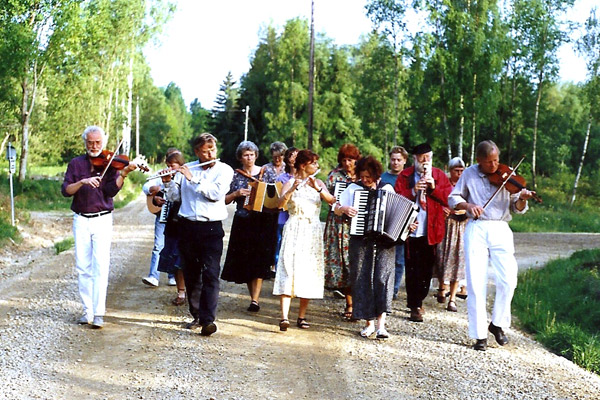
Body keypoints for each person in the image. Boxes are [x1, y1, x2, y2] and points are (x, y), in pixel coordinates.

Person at [448, 140, 535, 351]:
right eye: (489, 162)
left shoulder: (506, 175)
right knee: (476, 283)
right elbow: (453, 197)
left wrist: (522, 198)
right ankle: (479, 336)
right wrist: (468, 205)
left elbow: (517, 207)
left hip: (501, 227)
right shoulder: (469, 173)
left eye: (496, 160)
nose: (494, 166)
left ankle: (497, 323)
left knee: (508, 280)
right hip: (477, 227)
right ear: (479, 161)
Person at [61, 125, 139, 329]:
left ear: (103, 143)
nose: (94, 146)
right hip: (81, 219)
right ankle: (87, 311)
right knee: (82, 267)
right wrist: (83, 182)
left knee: (101, 265)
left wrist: (124, 173)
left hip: (102, 219)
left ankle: (99, 313)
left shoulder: (111, 164)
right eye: (90, 143)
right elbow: (66, 191)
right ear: (85, 143)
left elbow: (112, 191)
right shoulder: (76, 164)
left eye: (97, 143)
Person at [162, 133, 234, 336]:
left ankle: (209, 320)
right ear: (196, 152)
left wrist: (192, 180)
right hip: (187, 226)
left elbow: (215, 195)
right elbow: (175, 198)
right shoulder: (188, 169)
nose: (210, 153)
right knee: (191, 274)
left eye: (212, 149)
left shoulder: (224, 170)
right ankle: (197, 315)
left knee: (211, 273)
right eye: (205, 151)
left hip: (211, 228)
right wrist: (169, 182)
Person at [335, 156, 415, 339]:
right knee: (362, 277)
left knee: (383, 277)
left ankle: (381, 325)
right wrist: (345, 209)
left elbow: (398, 216)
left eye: (368, 177)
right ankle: (368, 323)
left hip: (384, 241)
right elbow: (336, 207)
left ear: (376, 175)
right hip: (360, 240)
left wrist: (407, 226)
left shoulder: (386, 188)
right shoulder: (353, 189)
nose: (365, 180)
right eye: (362, 177)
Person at [273, 149, 336, 331]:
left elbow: (332, 201)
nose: (317, 166)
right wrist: (291, 190)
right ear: (303, 165)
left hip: (312, 230)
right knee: (288, 267)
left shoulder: (318, 182)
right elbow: (280, 205)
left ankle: (302, 316)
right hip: (295, 227)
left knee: (308, 271)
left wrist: (319, 190)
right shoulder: (291, 182)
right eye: (314, 163)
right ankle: (284, 317)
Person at [395, 143, 452, 323]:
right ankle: (414, 305)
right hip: (411, 228)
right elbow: (396, 197)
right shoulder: (405, 175)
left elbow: (449, 198)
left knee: (427, 269)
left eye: (428, 157)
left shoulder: (439, 175)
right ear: (414, 159)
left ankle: (420, 298)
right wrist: (413, 190)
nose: (425, 161)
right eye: (421, 158)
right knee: (412, 268)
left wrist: (433, 187)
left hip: (431, 228)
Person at [221, 141, 278, 312]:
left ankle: (255, 299)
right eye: (246, 155)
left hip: (263, 221)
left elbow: (275, 193)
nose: (249, 157)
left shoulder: (266, 172)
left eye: (252, 154)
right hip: (244, 221)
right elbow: (224, 199)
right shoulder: (235, 176)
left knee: (260, 260)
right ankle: (253, 296)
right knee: (247, 261)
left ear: (256, 156)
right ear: (240, 158)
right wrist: (236, 194)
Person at [323, 143, 361, 321]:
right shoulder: (334, 176)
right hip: (339, 225)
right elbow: (328, 200)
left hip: (358, 225)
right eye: (344, 160)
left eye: (351, 159)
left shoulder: (363, 175)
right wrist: (339, 207)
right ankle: (350, 303)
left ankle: (358, 304)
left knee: (356, 263)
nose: (347, 163)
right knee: (344, 264)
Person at [141, 148, 180, 288]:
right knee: (158, 245)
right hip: (163, 214)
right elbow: (146, 185)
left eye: (173, 163)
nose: (170, 167)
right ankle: (153, 276)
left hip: (178, 216)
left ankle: (172, 275)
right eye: (168, 162)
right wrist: (153, 190)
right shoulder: (160, 174)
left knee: (175, 246)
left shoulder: (183, 175)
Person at [434, 157, 467, 312]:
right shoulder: (444, 183)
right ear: (450, 170)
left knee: (459, 260)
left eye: (461, 171)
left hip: (461, 226)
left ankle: (452, 298)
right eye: (456, 170)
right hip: (445, 225)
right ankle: (442, 287)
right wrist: (442, 209)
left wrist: (466, 210)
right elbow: (436, 200)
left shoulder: (467, 185)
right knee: (441, 258)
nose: (459, 174)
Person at [156, 151, 186, 306]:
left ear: (180, 164)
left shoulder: (186, 176)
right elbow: (161, 193)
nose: (169, 168)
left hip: (186, 222)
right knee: (175, 259)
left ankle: (192, 291)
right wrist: (156, 196)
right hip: (173, 222)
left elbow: (179, 197)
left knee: (187, 258)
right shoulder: (167, 178)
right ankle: (180, 291)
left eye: (172, 165)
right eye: (167, 165)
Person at [380, 146, 409, 299]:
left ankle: (394, 289)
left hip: (403, 219)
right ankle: (382, 286)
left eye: (399, 160)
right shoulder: (383, 177)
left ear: (404, 161)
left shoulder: (408, 178)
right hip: (385, 219)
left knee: (399, 258)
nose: (395, 163)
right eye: (393, 159)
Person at [274, 147, 298, 268]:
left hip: (298, 216)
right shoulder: (281, 178)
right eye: (291, 155)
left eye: (297, 155)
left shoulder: (306, 178)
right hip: (283, 216)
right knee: (281, 243)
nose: (294, 158)